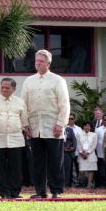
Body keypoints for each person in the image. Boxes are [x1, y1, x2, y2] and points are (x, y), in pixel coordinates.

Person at [21, 49, 70, 198]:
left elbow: (64, 104)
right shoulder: (29, 80)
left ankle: (56, 191)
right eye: (36, 61)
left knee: (56, 161)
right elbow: (23, 104)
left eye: (41, 61)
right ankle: (40, 191)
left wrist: (61, 124)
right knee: (38, 162)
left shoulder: (57, 80)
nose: (38, 63)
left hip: (53, 126)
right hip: (35, 127)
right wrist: (25, 124)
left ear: (48, 63)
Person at [0, 78, 28, 199]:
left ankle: (14, 192)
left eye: (7, 88)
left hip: (16, 140)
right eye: (2, 87)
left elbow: (24, 120)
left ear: (14, 89)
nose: (4, 89)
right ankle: (3, 193)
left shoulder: (20, 102)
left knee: (16, 167)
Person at [77, 122, 98, 189]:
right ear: (83, 127)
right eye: (85, 126)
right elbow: (78, 144)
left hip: (91, 154)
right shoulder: (79, 134)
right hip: (82, 154)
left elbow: (94, 145)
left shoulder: (94, 135)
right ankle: (82, 184)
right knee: (82, 171)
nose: (87, 127)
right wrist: (81, 152)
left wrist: (88, 153)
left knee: (91, 170)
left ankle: (89, 185)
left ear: (90, 127)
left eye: (88, 126)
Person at [65, 113, 81, 186]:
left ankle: (77, 183)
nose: (70, 120)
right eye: (69, 118)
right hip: (66, 152)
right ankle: (67, 183)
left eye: (71, 119)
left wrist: (74, 148)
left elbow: (79, 140)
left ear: (74, 119)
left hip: (77, 152)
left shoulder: (79, 129)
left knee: (76, 169)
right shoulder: (64, 128)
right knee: (67, 168)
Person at [94, 114, 106, 188]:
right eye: (105, 120)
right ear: (102, 121)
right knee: (98, 169)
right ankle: (98, 184)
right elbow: (95, 141)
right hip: (99, 153)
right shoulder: (98, 129)